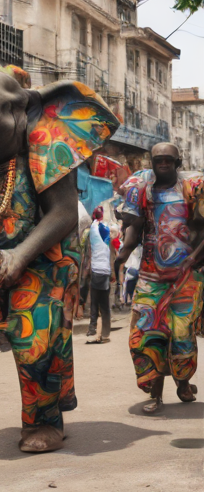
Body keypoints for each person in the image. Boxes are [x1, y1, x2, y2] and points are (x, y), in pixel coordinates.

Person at [116, 142, 204, 414]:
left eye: (168, 160)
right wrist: (123, 252)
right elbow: (135, 227)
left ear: (178, 163)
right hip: (150, 275)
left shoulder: (193, 188)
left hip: (185, 277)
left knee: (181, 335)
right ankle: (155, 393)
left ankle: (183, 383)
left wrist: (194, 257)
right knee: (145, 334)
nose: (162, 164)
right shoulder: (142, 188)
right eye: (157, 160)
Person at [86, 206, 112, 343]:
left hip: (96, 270)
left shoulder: (93, 229)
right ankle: (105, 332)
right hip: (105, 271)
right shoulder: (105, 228)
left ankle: (92, 329)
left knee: (95, 302)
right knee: (105, 304)